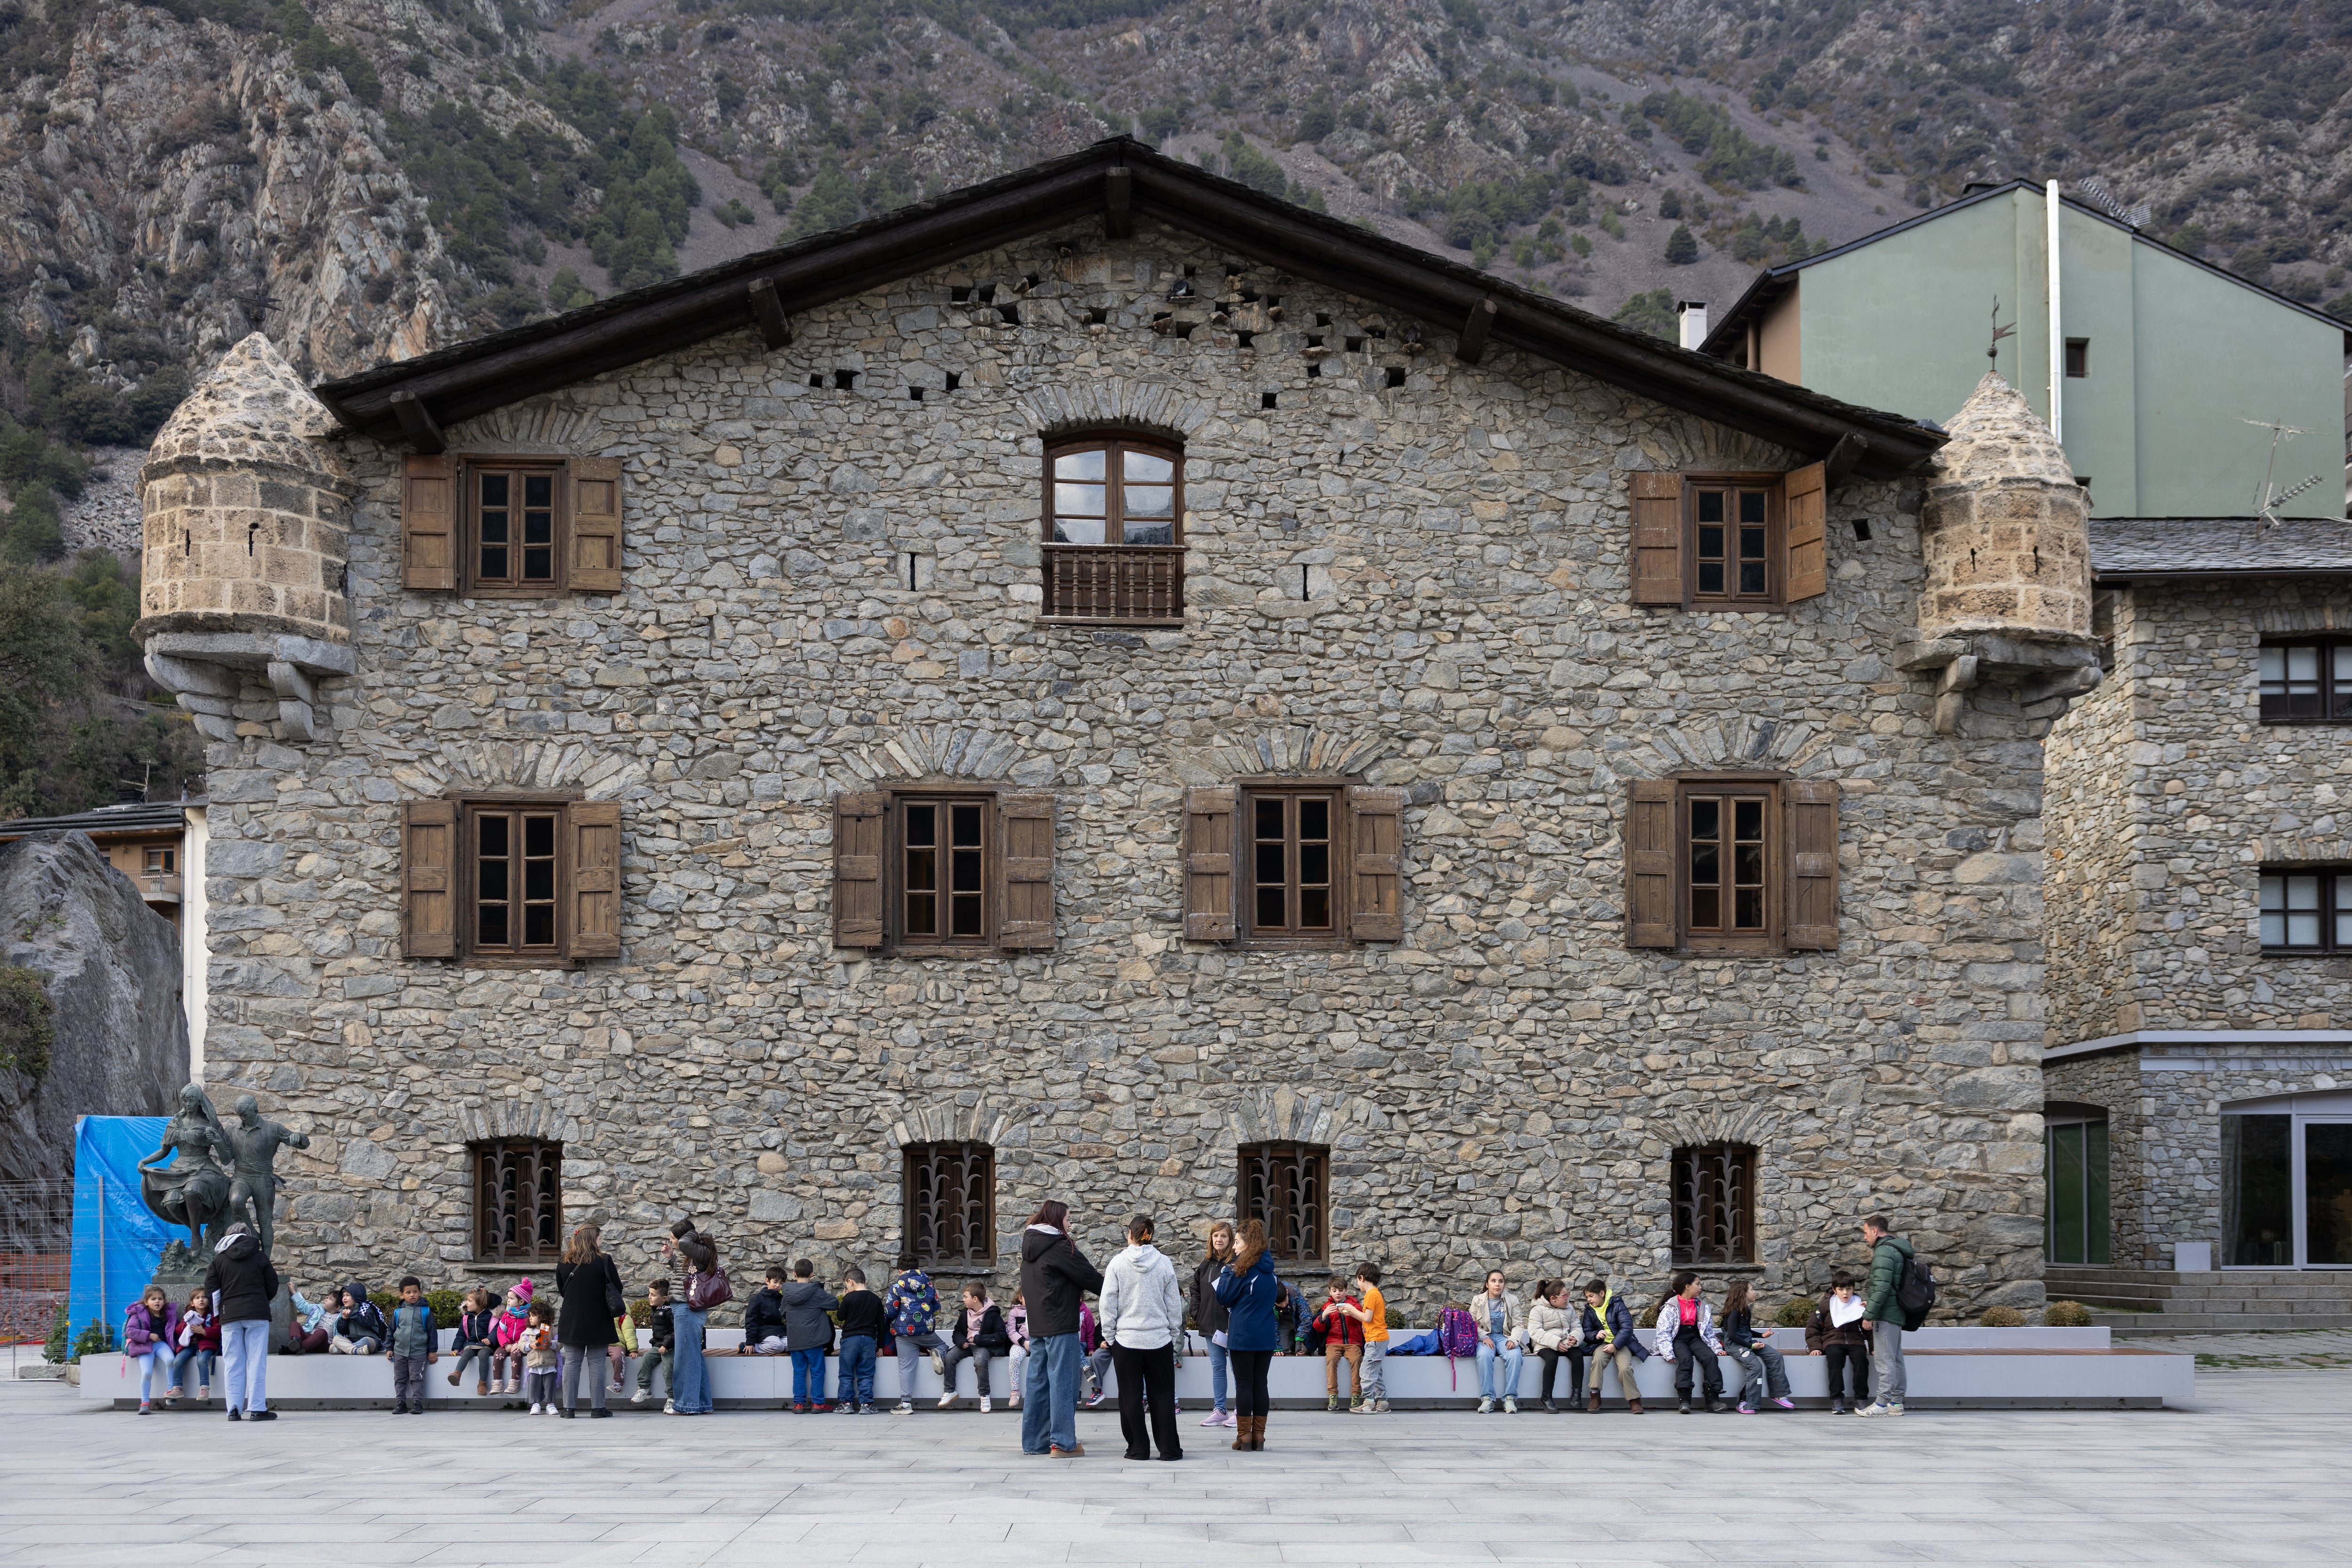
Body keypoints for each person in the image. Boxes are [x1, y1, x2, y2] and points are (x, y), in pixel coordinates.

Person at [1019, 1197, 1104, 1457]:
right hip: (1062, 1324)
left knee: (1037, 1382)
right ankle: (1063, 1443)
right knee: (1063, 1383)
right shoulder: (1059, 1246)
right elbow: (1090, 1277)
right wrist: (1116, 1291)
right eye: (1068, 1219)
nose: (1070, 1225)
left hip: (1038, 1327)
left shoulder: (1030, 1246)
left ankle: (1035, 1443)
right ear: (1057, 1220)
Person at [1099, 1214, 1184, 1461]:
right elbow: (1174, 1304)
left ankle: (1138, 1448)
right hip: (1159, 1340)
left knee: (1130, 1398)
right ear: (1151, 1235)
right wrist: (1173, 1333)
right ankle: (1169, 1450)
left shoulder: (1117, 1263)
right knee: (1163, 1396)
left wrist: (1110, 1336)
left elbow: (1107, 1304)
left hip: (1127, 1342)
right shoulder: (1164, 1263)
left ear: (1129, 1234)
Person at [1213, 1218, 1282, 1452]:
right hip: (1265, 1337)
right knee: (1260, 1384)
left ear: (1248, 1243)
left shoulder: (1240, 1270)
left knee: (1244, 1385)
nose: (1234, 1246)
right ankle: (1259, 1438)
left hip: (1242, 1335)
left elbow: (1223, 1297)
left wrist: (1226, 1273)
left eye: (1238, 1242)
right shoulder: (1270, 1272)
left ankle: (1244, 1438)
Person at [202, 1220, 280, 1421]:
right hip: (257, 1314)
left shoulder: (219, 1261)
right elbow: (272, 1284)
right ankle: (257, 1409)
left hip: (230, 1316)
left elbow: (211, 1291)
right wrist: (262, 1301)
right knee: (256, 1362)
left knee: (233, 1363)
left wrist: (219, 1310)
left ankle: (234, 1410)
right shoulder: (260, 1256)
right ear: (247, 1235)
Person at [555, 1223, 624, 1418]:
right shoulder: (604, 1261)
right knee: (596, 1364)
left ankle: (568, 1409)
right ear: (593, 1240)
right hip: (599, 1318)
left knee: (571, 1363)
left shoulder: (563, 1260)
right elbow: (617, 1288)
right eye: (600, 1238)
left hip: (571, 1319)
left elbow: (562, 1289)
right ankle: (598, 1409)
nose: (601, 1242)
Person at [1859, 1215, 1918, 1418]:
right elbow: (1888, 1287)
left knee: (1885, 1360)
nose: (1865, 1238)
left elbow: (1882, 1287)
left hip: (1886, 1314)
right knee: (1896, 1359)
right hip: (1896, 1311)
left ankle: (1882, 1404)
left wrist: (1870, 1314)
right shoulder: (1896, 1248)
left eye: (1866, 1233)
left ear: (1875, 1231)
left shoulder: (1883, 1251)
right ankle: (1897, 1402)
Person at [664, 1220, 720, 1416]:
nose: (671, 1241)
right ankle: (702, 1403)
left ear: (685, 1237)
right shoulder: (690, 1254)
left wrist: (692, 1233)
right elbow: (682, 1274)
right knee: (693, 1355)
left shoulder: (700, 1250)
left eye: (673, 1238)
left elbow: (687, 1243)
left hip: (688, 1307)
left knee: (684, 1357)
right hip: (684, 1307)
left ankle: (685, 1404)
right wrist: (671, 1258)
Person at [1653, 1270, 1728, 1414]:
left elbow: (1708, 1331)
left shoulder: (1702, 1306)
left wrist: (1716, 1348)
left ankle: (1713, 1399)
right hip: (1678, 1338)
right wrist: (1668, 1352)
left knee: (1710, 1357)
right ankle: (1685, 1400)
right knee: (1686, 1360)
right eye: (1698, 1284)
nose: (1701, 1287)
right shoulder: (1671, 1306)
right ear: (1688, 1286)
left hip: (1695, 1337)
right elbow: (1663, 1332)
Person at [1719, 1278, 1795, 1413]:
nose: (1755, 1292)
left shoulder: (1746, 1310)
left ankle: (1779, 1393)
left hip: (1747, 1343)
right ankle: (1745, 1401)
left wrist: (1762, 1336)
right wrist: (1751, 1346)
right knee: (1755, 1366)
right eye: (1752, 1289)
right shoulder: (1734, 1312)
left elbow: (1746, 1331)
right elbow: (1732, 1336)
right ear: (1743, 1293)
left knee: (1775, 1356)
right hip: (1735, 1346)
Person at [1189, 1220, 1236, 1428]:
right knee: (1218, 1368)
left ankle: (1241, 1411)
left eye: (1224, 1236)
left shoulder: (1236, 1263)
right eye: (1216, 1236)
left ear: (1231, 1240)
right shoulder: (1206, 1264)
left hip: (1233, 1326)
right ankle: (1220, 1410)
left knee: (1238, 1369)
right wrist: (1198, 1314)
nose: (1219, 1240)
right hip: (1211, 1326)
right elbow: (1195, 1290)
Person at [886, 1261, 947, 1414]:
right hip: (926, 1332)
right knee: (943, 1346)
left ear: (900, 1270)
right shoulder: (929, 1285)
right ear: (917, 1268)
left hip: (904, 1334)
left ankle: (906, 1404)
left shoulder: (896, 1287)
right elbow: (937, 1309)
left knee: (906, 1367)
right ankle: (938, 1352)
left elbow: (890, 1312)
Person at [939, 1280, 1010, 1412]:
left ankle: (984, 1396)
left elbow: (1001, 1336)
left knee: (980, 1362)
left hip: (982, 1346)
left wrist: (979, 1339)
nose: (963, 1299)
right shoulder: (965, 1313)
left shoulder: (992, 1314)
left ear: (975, 1299)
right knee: (949, 1357)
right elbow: (957, 1332)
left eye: (966, 1297)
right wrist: (961, 1342)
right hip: (966, 1345)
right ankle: (950, 1391)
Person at [1579, 1278, 1648, 1414]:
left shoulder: (1617, 1304)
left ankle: (1634, 1400)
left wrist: (1615, 1345)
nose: (1589, 1300)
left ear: (1602, 1293)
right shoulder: (1589, 1310)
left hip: (1622, 1343)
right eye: (1587, 1297)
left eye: (1591, 1296)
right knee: (1597, 1361)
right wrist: (1595, 1335)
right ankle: (1595, 1396)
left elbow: (1627, 1328)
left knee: (1625, 1368)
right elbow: (1586, 1332)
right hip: (1602, 1344)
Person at [1807, 1270, 1871, 1414]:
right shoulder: (1826, 1305)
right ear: (1835, 1289)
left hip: (1855, 1341)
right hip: (1832, 1341)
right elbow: (1813, 1328)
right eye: (1841, 1289)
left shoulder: (1859, 1305)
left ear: (1853, 1289)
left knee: (1862, 1360)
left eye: (1849, 1289)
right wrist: (1816, 1347)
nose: (1845, 1293)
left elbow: (1868, 1329)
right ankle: (1837, 1399)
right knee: (1835, 1360)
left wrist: (1873, 1347)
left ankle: (1861, 1399)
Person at [781, 1259, 838, 1411]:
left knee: (799, 1371)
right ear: (812, 1274)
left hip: (795, 1339)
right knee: (817, 1371)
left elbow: (783, 1313)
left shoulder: (787, 1293)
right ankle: (818, 1403)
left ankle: (799, 1404)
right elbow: (834, 1304)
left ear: (794, 1274)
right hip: (814, 1340)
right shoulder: (816, 1292)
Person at [1470, 1268, 1527, 1414]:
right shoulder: (1478, 1300)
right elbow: (1471, 1324)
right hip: (1485, 1338)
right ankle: (1487, 1399)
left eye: (1501, 1281)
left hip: (1505, 1337)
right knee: (1484, 1356)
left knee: (1515, 1356)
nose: (1497, 1285)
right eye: (1494, 1281)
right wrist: (1484, 1336)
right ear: (1487, 1284)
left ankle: (1509, 1398)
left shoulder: (1512, 1300)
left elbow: (1518, 1325)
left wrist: (1514, 1340)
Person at [1526, 1279, 1584, 1413]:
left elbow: (1577, 1326)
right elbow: (1535, 1332)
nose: (1567, 1298)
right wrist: (1555, 1342)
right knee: (1552, 1359)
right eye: (1564, 1296)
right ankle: (1546, 1397)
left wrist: (1575, 1338)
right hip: (1544, 1344)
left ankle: (1577, 1394)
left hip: (1566, 1343)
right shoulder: (1538, 1310)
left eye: (1567, 1294)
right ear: (1553, 1299)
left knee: (1578, 1355)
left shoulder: (1569, 1309)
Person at [835, 1266, 887, 1413]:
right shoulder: (875, 1299)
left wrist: (844, 1299)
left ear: (850, 1282)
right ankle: (867, 1405)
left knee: (846, 1373)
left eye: (846, 1285)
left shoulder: (849, 1298)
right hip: (869, 1340)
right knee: (866, 1373)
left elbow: (840, 1317)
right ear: (865, 1281)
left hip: (850, 1339)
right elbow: (880, 1325)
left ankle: (846, 1404)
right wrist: (881, 1346)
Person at [385, 1274, 438, 1415]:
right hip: (400, 1352)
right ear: (402, 1295)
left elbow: (432, 1332)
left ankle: (417, 1403)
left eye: (415, 1292)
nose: (412, 1295)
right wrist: (389, 1348)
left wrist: (432, 1351)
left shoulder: (426, 1311)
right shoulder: (398, 1312)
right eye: (408, 1293)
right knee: (400, 1379)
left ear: (420, 1293)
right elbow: (391, 1331)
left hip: (419, 1352)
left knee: (417, 1378)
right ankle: (401, 1403)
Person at [1315, 1272, 1366, 1413]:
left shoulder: (1353, 1303)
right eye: (1334, 1291)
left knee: (1357, 1360)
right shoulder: (1328, 1306)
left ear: (1346, 1291)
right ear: (1330, 1291)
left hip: (1353, 1342)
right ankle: (1333, 1396)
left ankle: (1356, 1395)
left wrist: (1352, 1313)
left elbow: (1362, 1320)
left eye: (1341, 1290)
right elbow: (1317, 1328)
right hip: (1333, 1342)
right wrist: (1324, 1316)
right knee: (1331, 1361)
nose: (1338, 1293)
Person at [124, 1283, 179, 1414]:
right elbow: (130, 1331)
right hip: (144, 1346)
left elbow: (174, 1330)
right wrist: (149, 1335)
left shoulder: (169, 1314)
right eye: (153, 1299)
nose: (157, 1302)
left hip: (161, 1345)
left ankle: (171, 1392)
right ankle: (145, 1403)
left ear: (164, 1301)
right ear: (146, 1302)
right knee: (147, 1373)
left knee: (171, 1360)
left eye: (160, 1299)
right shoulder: (138, 1313)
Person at [168, 1284, 218, 1409]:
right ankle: (177, 1388)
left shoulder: (212, 1316)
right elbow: (178, 1331)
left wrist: (204, 1331)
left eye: (204, 1297)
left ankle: (204, 1388)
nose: (201, 1300)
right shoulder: (189, 1315)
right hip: (189, 1346)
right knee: (177, 1361)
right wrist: (187, 1324)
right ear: (192, 1302)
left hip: (205, 1345)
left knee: (202, 1361)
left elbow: (219, 1331)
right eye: (197, 1298)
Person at [632, 1279, 677, 1407]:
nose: (649, 1297)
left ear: (664, 1298)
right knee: (646, 1358)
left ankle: (672, 1398)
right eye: (649, 1294)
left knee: (668, 1368)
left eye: (653, 1295)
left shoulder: (670, 1311)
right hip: (658, 1345)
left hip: (670, 1347)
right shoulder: (655, 1309)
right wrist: (659, 1344)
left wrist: (666, 1345)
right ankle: (644, 1388)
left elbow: (677, 1330)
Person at [447, 1288, 498, 1395]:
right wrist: (456, 1349)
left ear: (480, 1303)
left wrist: (490, 1339)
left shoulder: (491, 1316)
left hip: (485, 1344)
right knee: (467, 1353)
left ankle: (482, 1384)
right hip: (471, 1343)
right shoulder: (467, 1317)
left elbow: (496, 1329)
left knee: (483, 1355)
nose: (467, 1303)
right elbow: (461, 1334)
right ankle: (457, 1374)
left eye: (470, 1301)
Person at [491, 1280, 533, 1394]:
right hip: (508, 1343)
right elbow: (500, 1331)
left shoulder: (528, 1317)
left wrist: (518, 1344)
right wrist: (506, 1344)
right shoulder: (507, 1315)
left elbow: (529, 1333)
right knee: (498, 1355)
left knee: (516, 1355)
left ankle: (515, 1382)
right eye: (508, 1298)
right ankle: (497, 1382)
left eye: (511, 1298)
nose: (508, 1301)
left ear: (521, 1301)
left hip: (521, 1345)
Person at [521, 1299, 561, 1414]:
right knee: (534, 1385)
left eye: (533, 1316)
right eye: (530, 1316)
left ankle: (550, 1404)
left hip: (549, 1363)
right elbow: (521, 1344)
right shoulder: (528, 1331)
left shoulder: (552, 1330)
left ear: (542, 1316)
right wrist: (531, 1345)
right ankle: (535, 1404)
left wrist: (550, 1344)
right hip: (534, 1364)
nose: (530, 1318)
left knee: (550, 1385)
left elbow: (560, 1343)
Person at [743, 1265, 790, 1355]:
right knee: (778, 1346)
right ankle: (750, 1348)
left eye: (781, 1283)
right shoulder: (757, 1299)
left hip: (781, 1333)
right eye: (775, 1282)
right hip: (764, 1333)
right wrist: (750, 1342)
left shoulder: (783, 1300)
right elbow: (751, 1321)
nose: (778, 1286)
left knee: (793, 1346)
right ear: (767, 1281)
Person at [332, 1280, 387, 1355]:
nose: (344, 1298)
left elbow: (368, 1323)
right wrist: (344, 1320)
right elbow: (342, 1332)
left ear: (356, 1296)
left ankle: (343, 1350)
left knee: (366, 1342)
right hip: (353, 1341)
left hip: (371, 1340)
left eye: (348, 1295)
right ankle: (357, 1351)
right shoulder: (345, 1311)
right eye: (343, 1296)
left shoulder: (367, 1308)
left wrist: (352, 1315)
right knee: (336, 1339)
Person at [1078, 1297, 1112, 1407]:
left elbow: (1090, 1331)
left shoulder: (1086, 1312)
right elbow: (1097, 1333)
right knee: (1096, 1357)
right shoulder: (1109, 1312)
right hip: (1108, 1346)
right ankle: (1097, 1390)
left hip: (1123, 1345)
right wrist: (1100, 1342)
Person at [285, 1286, 334, 1355]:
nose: (326, 1300)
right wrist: (293, 1292)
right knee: (294, 1324)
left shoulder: (340, 1317)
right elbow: (304, 1306)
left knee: (322, 1332)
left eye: (331, 1299)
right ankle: (296, 1342)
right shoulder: (318, 1308)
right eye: (327, 1298)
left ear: (338, 1307)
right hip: (308, 1337)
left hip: (322, 1344)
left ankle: (297, 1348)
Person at [1006, 1290, 1030, 1410]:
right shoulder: (1015, 1312)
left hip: (1039, 1343)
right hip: (1021, 1343)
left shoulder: (1041, 1310)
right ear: (1020, 1299)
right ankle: (1015, 1391)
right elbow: (1011, 1331)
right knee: (1014, 1358)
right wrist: (1024, 1342)